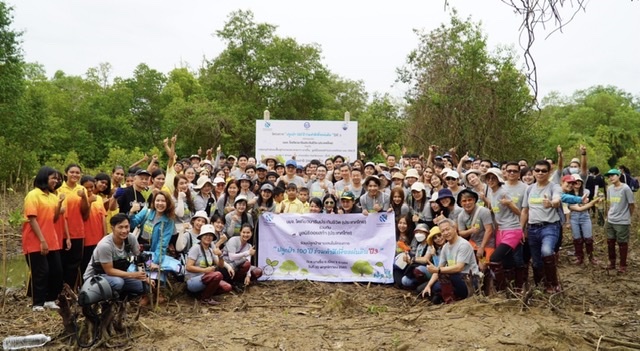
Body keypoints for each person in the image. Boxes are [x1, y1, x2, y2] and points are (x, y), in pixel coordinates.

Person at [23, 167, 64, 311]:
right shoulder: (33, 195)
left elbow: (55, 218)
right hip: (35, 241)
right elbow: (32, 219)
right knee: (41, 272)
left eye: (57, 178)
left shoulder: (52, 196)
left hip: (52, 240)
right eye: (53, 178)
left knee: (56, 271)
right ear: (44, 178)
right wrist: (42, 240)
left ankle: (50, 299)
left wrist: (59, 204)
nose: (56, 181)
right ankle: (37, 303)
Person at [520, 160, 563, 293]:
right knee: (537, 260)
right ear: (533, 172)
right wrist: (521, 229)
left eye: (544, 170)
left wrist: (551, 203)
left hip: (550, 226)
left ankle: (553, 283)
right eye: (537, 170)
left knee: (547, 251)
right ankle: (540, 284)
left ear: (549, 172)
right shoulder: (529, 189)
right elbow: (525, 210)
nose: (540, 173)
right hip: (532, 228)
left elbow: (557, 200)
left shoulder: (554, 187)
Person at [83, 214, 149, 302]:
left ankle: (123, 296)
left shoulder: (131, 238)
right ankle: (109, 302)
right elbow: (109, 270)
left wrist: (146, 277)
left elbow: (140, 257)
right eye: (120, 227)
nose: (124, 231)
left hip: (118, 274)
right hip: (97, 276)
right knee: (118, 283)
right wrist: (133, 275)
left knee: (143, 286)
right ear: (113, 228)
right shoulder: (105, 245)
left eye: (126, 227)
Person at [420, 219, 480, 304]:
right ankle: (446, 296)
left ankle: (450, 302)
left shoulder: (463, 245)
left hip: (469, 280)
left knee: (444, 275)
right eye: (443, 231)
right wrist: (428, 286)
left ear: (454, 229)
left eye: (447, 229)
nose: (445, 233)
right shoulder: (445, 247)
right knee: (430, 288)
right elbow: (439, 268)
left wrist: (439, 270)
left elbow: (459, 267)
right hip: (455, 278)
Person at [484, 168, 524, 292]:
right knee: (507, 260)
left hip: (512, 229)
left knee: (495, 258)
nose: (490, 180)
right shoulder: (491, 192)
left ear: (498, 179)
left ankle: (502, 288)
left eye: (493, 178)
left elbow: (519, 212)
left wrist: (509, 204)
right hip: (500, 230)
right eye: (488, 178)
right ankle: (512, 288)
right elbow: (494, 209)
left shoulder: (504, 192)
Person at [59, 163, 90, 290]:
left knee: (75, 263)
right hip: (61, 232)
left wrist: (83, 198)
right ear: (66, 173)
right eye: (72, 172)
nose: (75, 175)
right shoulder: (59, 189)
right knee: (61, 262)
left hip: (78, 231)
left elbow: (85, 212)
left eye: (77, 173)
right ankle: (58, 289)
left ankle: (69, 290)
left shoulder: (82, 189)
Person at [185, 224, 232, 305]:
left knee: (227, 287)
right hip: (193, 280)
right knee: (217, 275)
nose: (208, 237)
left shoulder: (210, 250)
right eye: (206, 235)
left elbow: (220, 265)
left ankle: (202, 294)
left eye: (210, 235)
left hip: (206, 279)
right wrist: (204, 270)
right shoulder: (196, 248)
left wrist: (220, 255)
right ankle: (205, 299)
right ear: (201, 236)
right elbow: (188, 267)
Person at [129, 191, 176, 265]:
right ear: (154, 202)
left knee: (151, 273)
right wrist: (131, 212)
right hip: (139, 250)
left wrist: (155, 262)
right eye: (157, 200)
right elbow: (132, 224)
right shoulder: (146, 212)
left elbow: (162, 243)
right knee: (138, 272)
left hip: (154, 253)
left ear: (168, 203)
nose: (160, 203)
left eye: (163, 201)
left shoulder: (169, 221)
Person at [604, 168, 635, 273]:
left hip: (622, 220)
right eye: (609, 176)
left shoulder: (625, 188)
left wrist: (628, 216)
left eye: (613, 175)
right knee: (610, 242)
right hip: (611, 219)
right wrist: (607, 216)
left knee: (622, 243)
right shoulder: (609, 188)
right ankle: (612, 263)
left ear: (619, 176)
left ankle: (622, 265)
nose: (611, 177)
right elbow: (609, 203)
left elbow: (631, 204)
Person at [222, 224, 263, 291]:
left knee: (258, 271)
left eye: (248, 233)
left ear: (251, 233)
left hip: (239, 266)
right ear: (240, 232)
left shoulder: (249, 246)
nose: (245, 235)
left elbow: (248, 261)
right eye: (243, 232)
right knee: (245, 263)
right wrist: (247, 253)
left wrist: (248, 275)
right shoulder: (233, 240)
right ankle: (234, 282)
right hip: (228, 264)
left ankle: (241, 281)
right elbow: (231, 257)